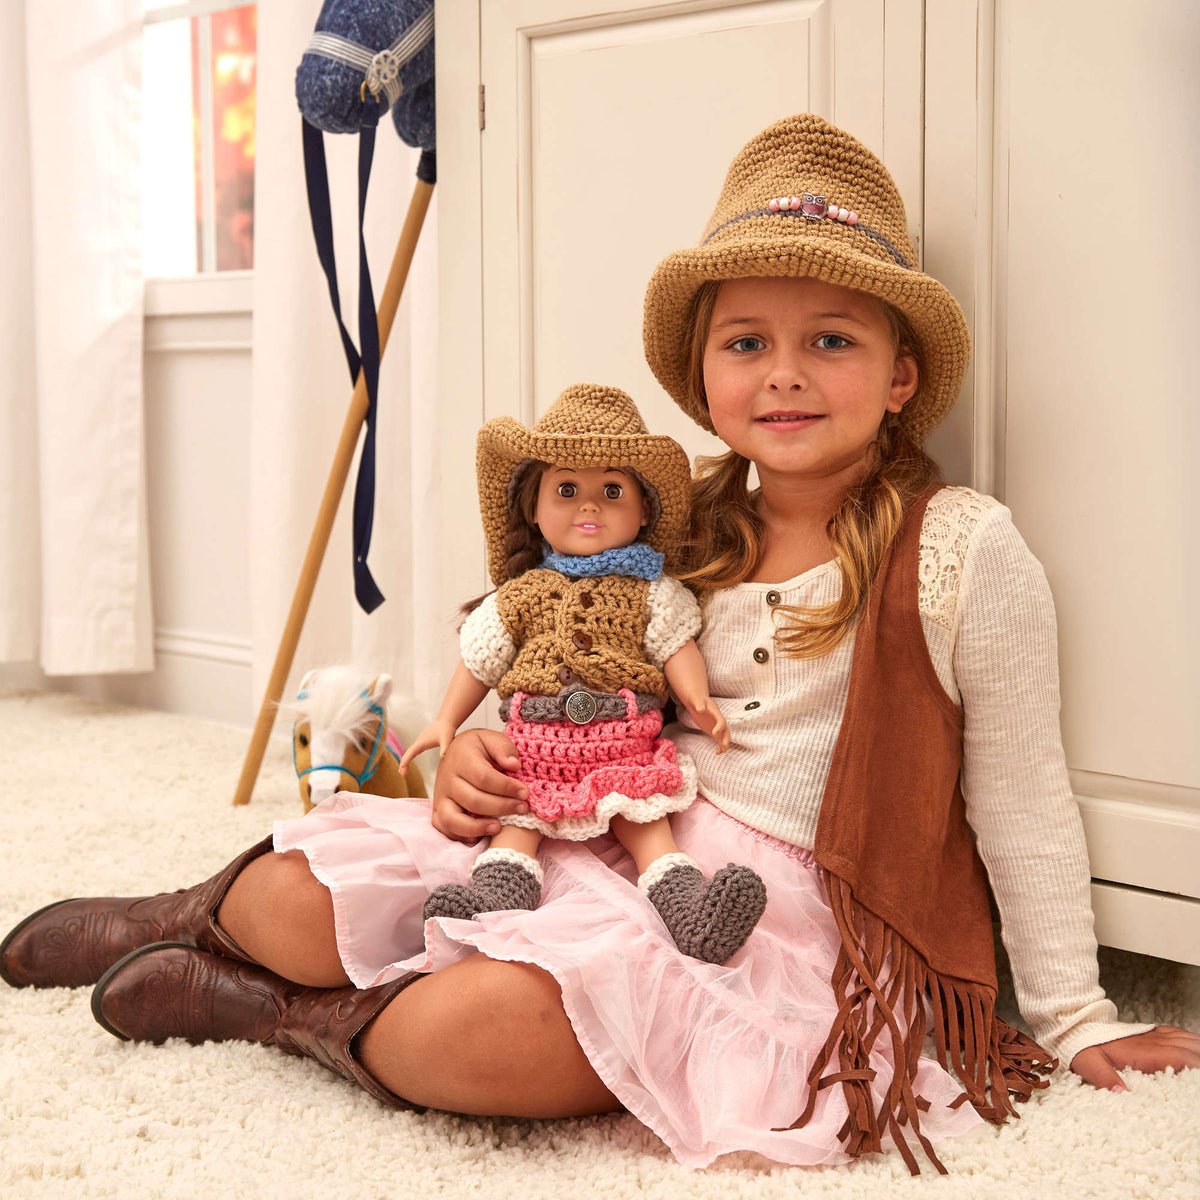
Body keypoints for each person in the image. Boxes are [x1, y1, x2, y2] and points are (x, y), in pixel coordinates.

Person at [2, 113, 1197, 1175]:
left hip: (753, 900)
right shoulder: (669, 521)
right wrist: (467, 758)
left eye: (831, 341)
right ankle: (197, 919)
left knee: (466, 1035)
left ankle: (270, 1014)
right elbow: (543, 658)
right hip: (592, 817)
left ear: (902, 377)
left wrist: (1077, 1013)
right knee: (289, 892)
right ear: (700, 373)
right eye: (746, 344)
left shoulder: (959, 549)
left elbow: (1022, 794)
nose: (783, 374)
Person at [399, 383, 766, 965]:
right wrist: (446, 720)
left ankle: (692, 914)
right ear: (534, 508)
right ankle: (486, 907)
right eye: (566, 489)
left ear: (643, 510)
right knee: (516, 823)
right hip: (533, 753)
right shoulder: (520, 597)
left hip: (624, 747)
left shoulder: (653, 594)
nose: (588, 507)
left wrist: (697, 698)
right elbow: (480, 656)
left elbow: (676, 646)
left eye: (611, 491)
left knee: (648, 829)